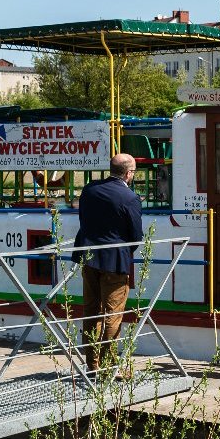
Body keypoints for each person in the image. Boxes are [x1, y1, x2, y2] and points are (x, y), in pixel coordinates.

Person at [73, 153, 143, 372]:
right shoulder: (129, 197)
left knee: (91, 311)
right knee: (113, 314)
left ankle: (92, 365)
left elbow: (84, 221)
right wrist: (122, 251)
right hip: (115, 262)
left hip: (89, 258)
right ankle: (108, 365)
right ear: (128, 173)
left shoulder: (89, 190)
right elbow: (136, 236)